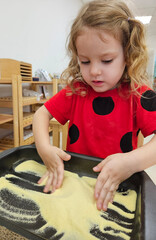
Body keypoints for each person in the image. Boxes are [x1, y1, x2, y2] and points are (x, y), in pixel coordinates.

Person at [33, 0, 156, 212]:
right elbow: (41, 114)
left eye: (106, 60)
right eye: (85, 61)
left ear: (127, 55)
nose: (94, 71)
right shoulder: (76, 91)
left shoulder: (139, 94)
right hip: (74, 182)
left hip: (119, 186)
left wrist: (131, 162)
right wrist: (45, 148)